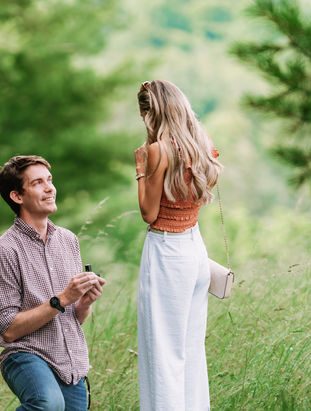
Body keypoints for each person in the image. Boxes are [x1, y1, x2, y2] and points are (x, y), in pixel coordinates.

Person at [0, 155, 107, 411]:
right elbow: (8, 329)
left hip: (69, 360)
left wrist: (84, 302)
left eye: (49, 180)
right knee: (48, 405)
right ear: (17, 196)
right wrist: (62, 299)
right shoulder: (3, 251)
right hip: (26, 354)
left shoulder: (68, 240)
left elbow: (75, 317)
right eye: (38, 183)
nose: (50, 188)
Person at [133, 80, 222, 410]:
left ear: (149, 113)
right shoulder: (202, 143)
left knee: (163, 355)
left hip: (167, 254)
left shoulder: (158, 151)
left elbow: (148, 213)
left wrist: (141, 169)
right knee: (190, 352)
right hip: (195, 251)